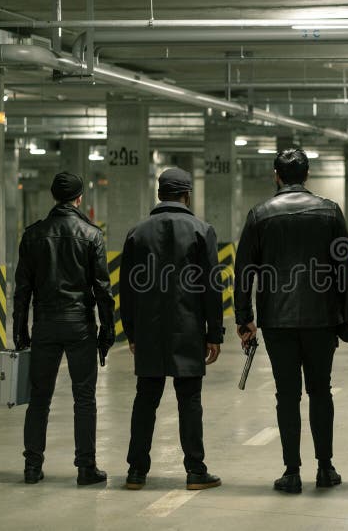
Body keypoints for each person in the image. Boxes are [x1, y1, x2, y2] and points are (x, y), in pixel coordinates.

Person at [234, 148, 348, 494]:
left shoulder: (260, 215)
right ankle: (325, 468)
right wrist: (345, 318)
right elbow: (346, 269)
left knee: (286, 395)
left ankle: (291, 472)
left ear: (276, 175)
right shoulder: (329, 212)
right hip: (321, 320)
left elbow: (244, 271)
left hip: (277, 322)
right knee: (320, 391)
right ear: (307, 175)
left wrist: (244, 318)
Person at [120, 167, 223, 491]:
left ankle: (136, 472)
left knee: (145, 399)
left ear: (159, 194)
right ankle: (195, 471)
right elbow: (211, 287)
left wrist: (132, 333)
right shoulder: (201, 230)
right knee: (189, 400)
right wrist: (214, 334)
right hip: (188, 329)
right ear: (186, 195)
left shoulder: (137, 233)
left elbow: (127, 289)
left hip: (149, 331)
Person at [13, 171, 115, 486]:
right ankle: (86, 468)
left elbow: (22, 288)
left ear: (54, 197)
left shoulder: (33, 235)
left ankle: (32, 467)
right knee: (84, 397)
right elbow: (102, 288)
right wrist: (107, 331)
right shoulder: (91, 234)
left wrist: (20, 328)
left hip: (45, 324)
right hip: (80, 325)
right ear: (79, 198)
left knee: (39, 397)